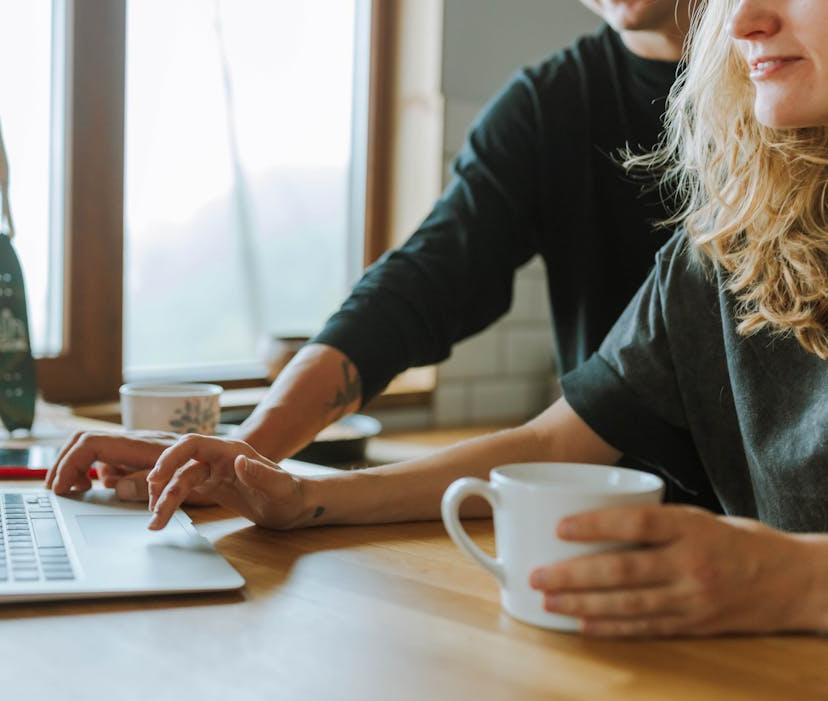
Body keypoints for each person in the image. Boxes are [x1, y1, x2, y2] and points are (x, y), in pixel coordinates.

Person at [49, 0, 828, 638]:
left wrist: (791, 580)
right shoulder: (730, 239)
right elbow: (540, 429)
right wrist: (271, 477)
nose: (745, 22)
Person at [53, 0, 704, 504]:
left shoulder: (791, 88)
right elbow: (424, 283)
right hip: (602, 511)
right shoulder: (551, 105)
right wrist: (244, 451)